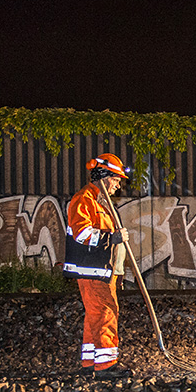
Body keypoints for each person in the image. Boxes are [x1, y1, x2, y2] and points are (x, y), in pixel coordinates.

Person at [63, 153, 133, 379]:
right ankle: (106, 366)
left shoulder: (102, 202)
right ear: (103, 176)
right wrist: (110, 238)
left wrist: (118, 271)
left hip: (103, 270)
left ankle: (89, 362)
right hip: (92, 270)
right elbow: (81, 233)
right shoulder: (84, 199)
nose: (118, 185)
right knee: (105, 313)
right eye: (116, 179)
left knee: (94, 315)